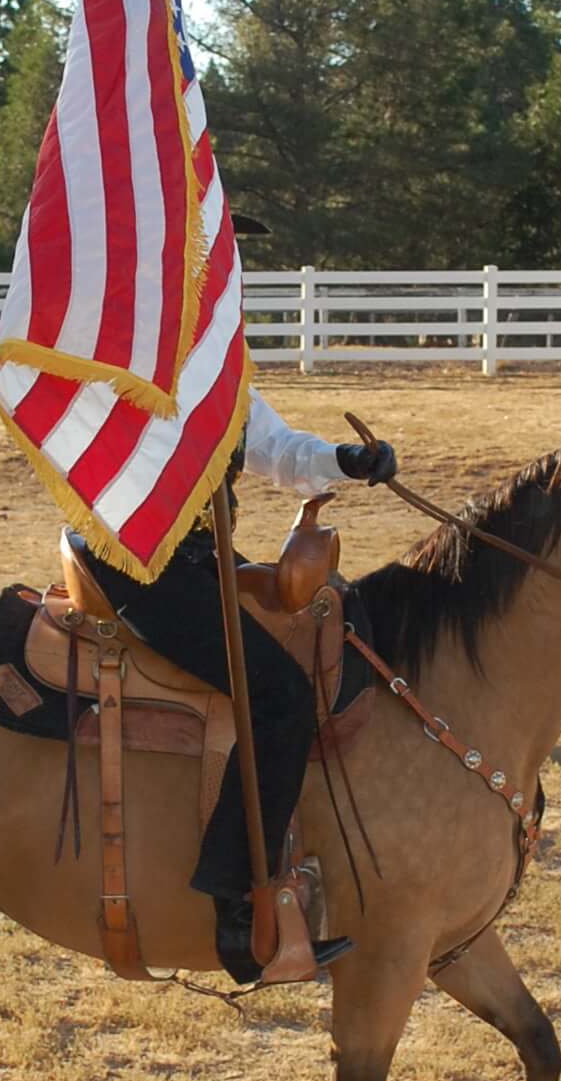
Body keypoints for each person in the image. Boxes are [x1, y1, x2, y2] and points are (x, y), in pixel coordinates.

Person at [76, 386, 397, 985]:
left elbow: (276, 449)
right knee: (280, 697)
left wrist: (345, 461)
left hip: (195, 558)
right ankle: (236, 910)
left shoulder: (213, 366)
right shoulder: (124, 368)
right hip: (136, 564)